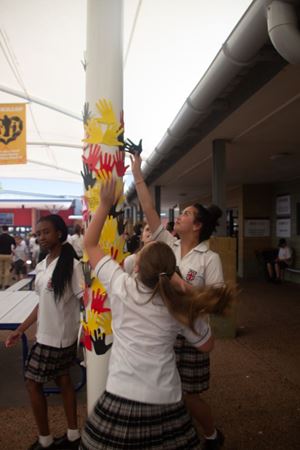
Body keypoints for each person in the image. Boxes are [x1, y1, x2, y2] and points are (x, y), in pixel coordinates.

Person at [80, 178, 234, 450]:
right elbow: (208, 344)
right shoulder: (179, 305)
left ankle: (212, 433)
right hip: (166, 398)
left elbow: (90, 245)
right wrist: (186, 297)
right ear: (170, 271)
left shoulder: (121, 286)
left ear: (137, 266)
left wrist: (104, 205)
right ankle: (211, 435)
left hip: (120, 393)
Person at [131, 152, 225, 449]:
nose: (179, 216)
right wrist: (137, 173)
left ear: (197, 226)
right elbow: (148, 208)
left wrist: (181, 285)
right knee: (164, 389)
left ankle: (211, 435)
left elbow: (217, 300)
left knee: (189, 394)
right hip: (163, 331)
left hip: (193, 333)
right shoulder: (167, 244)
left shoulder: (210, 258)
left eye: (186, 214)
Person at [5, 214, 84, 450]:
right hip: (47, 334)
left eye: (46, 232)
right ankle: (72, 436)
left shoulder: (73, 265)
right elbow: (43, 303)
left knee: (32, 382)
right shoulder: (43, 264)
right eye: (38, 233)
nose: (41, 237)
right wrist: (21, 329)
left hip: (59, 338)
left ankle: (45, 441)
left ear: (59, 233)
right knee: (63, 380)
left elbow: (85, 301)